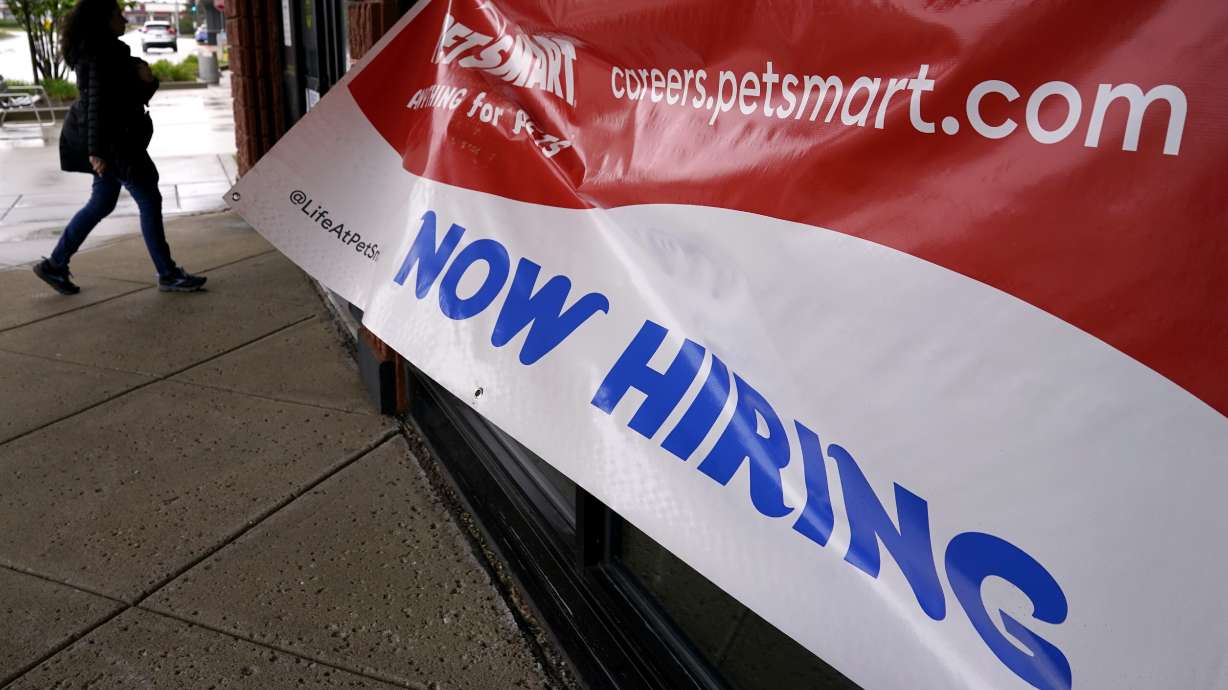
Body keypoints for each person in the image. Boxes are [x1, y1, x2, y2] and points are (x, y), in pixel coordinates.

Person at [32, 0, 206, 294]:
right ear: (104, 19)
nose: (124, 19)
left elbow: (124, 96)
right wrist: (96, 151)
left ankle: (55, 264)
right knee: (149, 197)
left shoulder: (108, 51)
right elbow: (95, 105)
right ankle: (168, 273)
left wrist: (147, 80)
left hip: (114, 140)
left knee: (102, 202)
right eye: (118, 14)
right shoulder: (100, 55)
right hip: (115, 143)